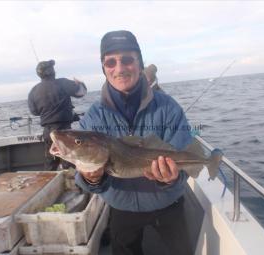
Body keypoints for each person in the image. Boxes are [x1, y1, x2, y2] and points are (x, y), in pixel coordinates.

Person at [75, 30, 193, 255]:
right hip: (122, 207)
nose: (119, 69)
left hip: (168, 204)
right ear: (104, 69)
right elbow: (83, 177)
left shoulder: (168, 107)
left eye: (127, 59)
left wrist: (172, 178)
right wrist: (90, 178)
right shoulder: (93, 117)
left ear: (140, 63)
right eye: (111, 62)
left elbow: (186, 157)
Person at [28, 59, 87, 170]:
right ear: (52, 71)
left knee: (50, 162)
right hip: (64, 131)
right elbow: (81, 92)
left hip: (47, 132)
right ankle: (71, 182)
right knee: (68, 161)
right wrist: (80, 83)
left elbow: (34, 112)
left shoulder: (33, 91)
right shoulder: (62, 83)